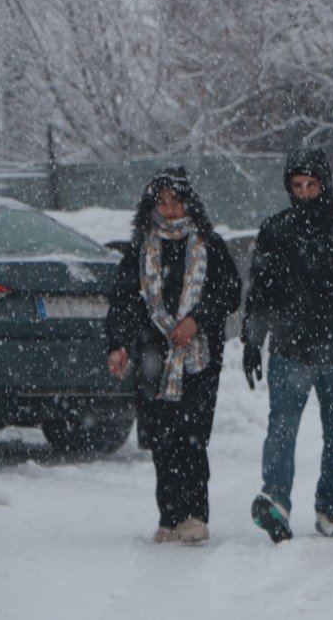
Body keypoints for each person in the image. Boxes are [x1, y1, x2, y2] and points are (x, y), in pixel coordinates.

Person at [241, 148, 333, 542]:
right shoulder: (275, 230)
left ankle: (328, 507)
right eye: (297, 186)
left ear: (325, 185)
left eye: (311, 185)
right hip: (289, 352)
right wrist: (253, 342)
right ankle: (276, 501)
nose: (305, 193)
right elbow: (260, 294)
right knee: (282, 430)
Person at [105, 167, 241, 544]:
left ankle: (195, 515)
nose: (168, 209)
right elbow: (124, 301)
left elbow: (229, 292)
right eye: (161, 202)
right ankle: (169, 515)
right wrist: (117, 343)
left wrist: (196, 320)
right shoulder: (141, 248)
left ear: (189, 203)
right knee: (162, 439)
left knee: (192, 437)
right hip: (152, 355)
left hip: (198, 357)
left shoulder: (209, 245)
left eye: (175, 201)